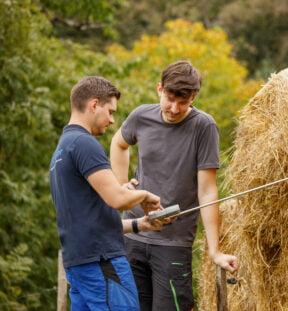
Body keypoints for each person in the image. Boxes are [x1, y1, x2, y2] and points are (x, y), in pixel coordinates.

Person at [110, 60, 238, 310]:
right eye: (170, 99)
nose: (175, 108)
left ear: (194, 97)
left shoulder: (204, 126)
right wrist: (121, 184)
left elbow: (207, 190)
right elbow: (118, 143)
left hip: (173, 244)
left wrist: (215, 251)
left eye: (184, 102)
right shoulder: (141, 116)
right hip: (132, 236)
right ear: (159, 88)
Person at [49, 76, 169, 310]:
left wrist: (139, 225)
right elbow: (117, 200)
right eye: (110, 111)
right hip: (102, 262)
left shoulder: (62, 148)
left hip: (79, 264)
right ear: (94, 104)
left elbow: (89, 219)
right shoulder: (85, 143)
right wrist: (144, 195)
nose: (112, 120)